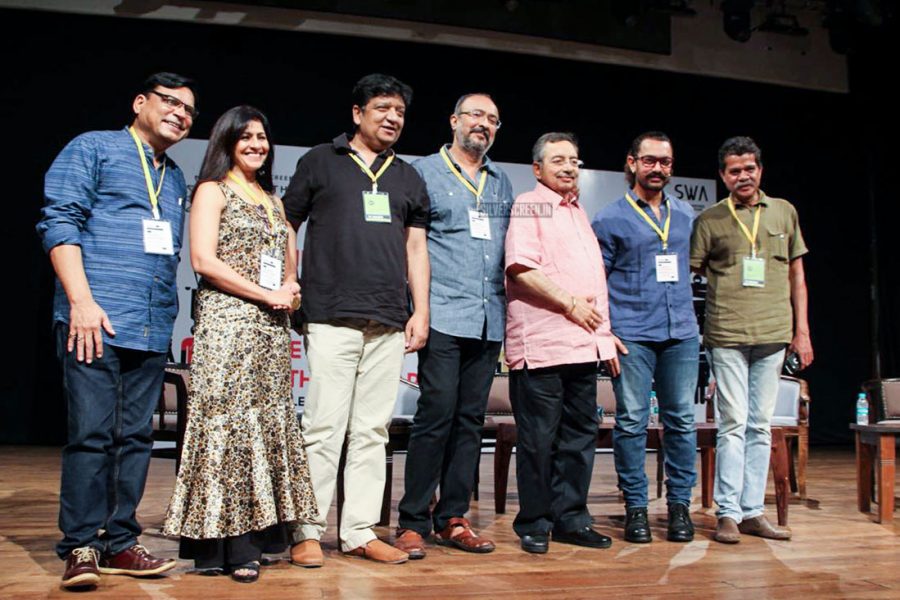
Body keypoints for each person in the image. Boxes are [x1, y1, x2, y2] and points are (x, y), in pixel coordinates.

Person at [36, 72, 197, 589]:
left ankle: (120, 542)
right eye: (170, 102)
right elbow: (59, 222)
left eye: (189, 110)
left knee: (135, 439)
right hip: (95, 319)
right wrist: (80, 301)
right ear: (139, 102)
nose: (180, 113)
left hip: (149, 326)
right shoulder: (94, 149)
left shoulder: (173, 177)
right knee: (91, 436)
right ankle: (81, 544)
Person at [162, 106, 316, 583]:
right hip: (228, 324)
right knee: (226, 428)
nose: (256, 144)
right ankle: (221, 546)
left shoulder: (271, 198)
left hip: (271, 330)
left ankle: (258, 536)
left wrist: (290, 287)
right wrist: (265, 293)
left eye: (262, 137)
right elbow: (204, 260)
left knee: (263, 427)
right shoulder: (212, 190)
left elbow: (286, 258)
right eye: (245, 136)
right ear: (226, 142)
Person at [282, 73, 430, 565]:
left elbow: (416, 247)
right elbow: (287, 222)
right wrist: (289, 280)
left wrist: (421, 310)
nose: (392, 118)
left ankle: (361, 531)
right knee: (323, 427)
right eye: (383, 108)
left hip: (389, 317)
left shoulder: (408, 175)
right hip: (330, 313)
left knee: (372, 431)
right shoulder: (320, 161)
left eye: (400, 112)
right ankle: (306, 529)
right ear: (357, 113)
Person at [394, 94, 513, 559]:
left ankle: (454, 517)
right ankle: (413, 520)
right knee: (436, 415)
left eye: (492, 119)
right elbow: (411, 246)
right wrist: (417, 310)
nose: (483, 124)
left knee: (469, 422)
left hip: (488, 319)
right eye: (476, 115)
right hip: (442, 312)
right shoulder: (422, 171)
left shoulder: (501, 180)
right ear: (454, 121)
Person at [690, 136, 813, 543]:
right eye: (733, 170)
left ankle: (752, 512)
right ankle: (727, 512)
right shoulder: (710, 219)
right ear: (723, 175)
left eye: (749, 168)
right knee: (732, 424)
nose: (742, 176)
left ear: (760, 170)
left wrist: (802, 332)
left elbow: (797, 275)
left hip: (774, 334)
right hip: (726, 334)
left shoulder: (783, 212)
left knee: (761, 426)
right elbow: (696, 270)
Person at [504, 132, 622, 554]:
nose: (570, 167)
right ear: (538, 169)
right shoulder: (530, 203)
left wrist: (605, 341)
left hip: (583, 344)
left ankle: (571, 518)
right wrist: (571, 304)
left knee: (579, 437)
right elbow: (521, 268)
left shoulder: (578, 212)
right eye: (558, 160)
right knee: (538, 440)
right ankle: (534, 522)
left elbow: (593, 282)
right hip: (543, 344)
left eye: (574, 160)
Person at [592, 132, 698, 544]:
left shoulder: (687, 215)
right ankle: (635, 508)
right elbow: (596, 280)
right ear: (632, 163)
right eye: (650, 161)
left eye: (666, 162)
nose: (658, 169)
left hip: (682, 334)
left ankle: (679, 508)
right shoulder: (609, 218)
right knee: (633, 422)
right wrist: (605, 333)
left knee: (682, 422)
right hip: (632, 334)